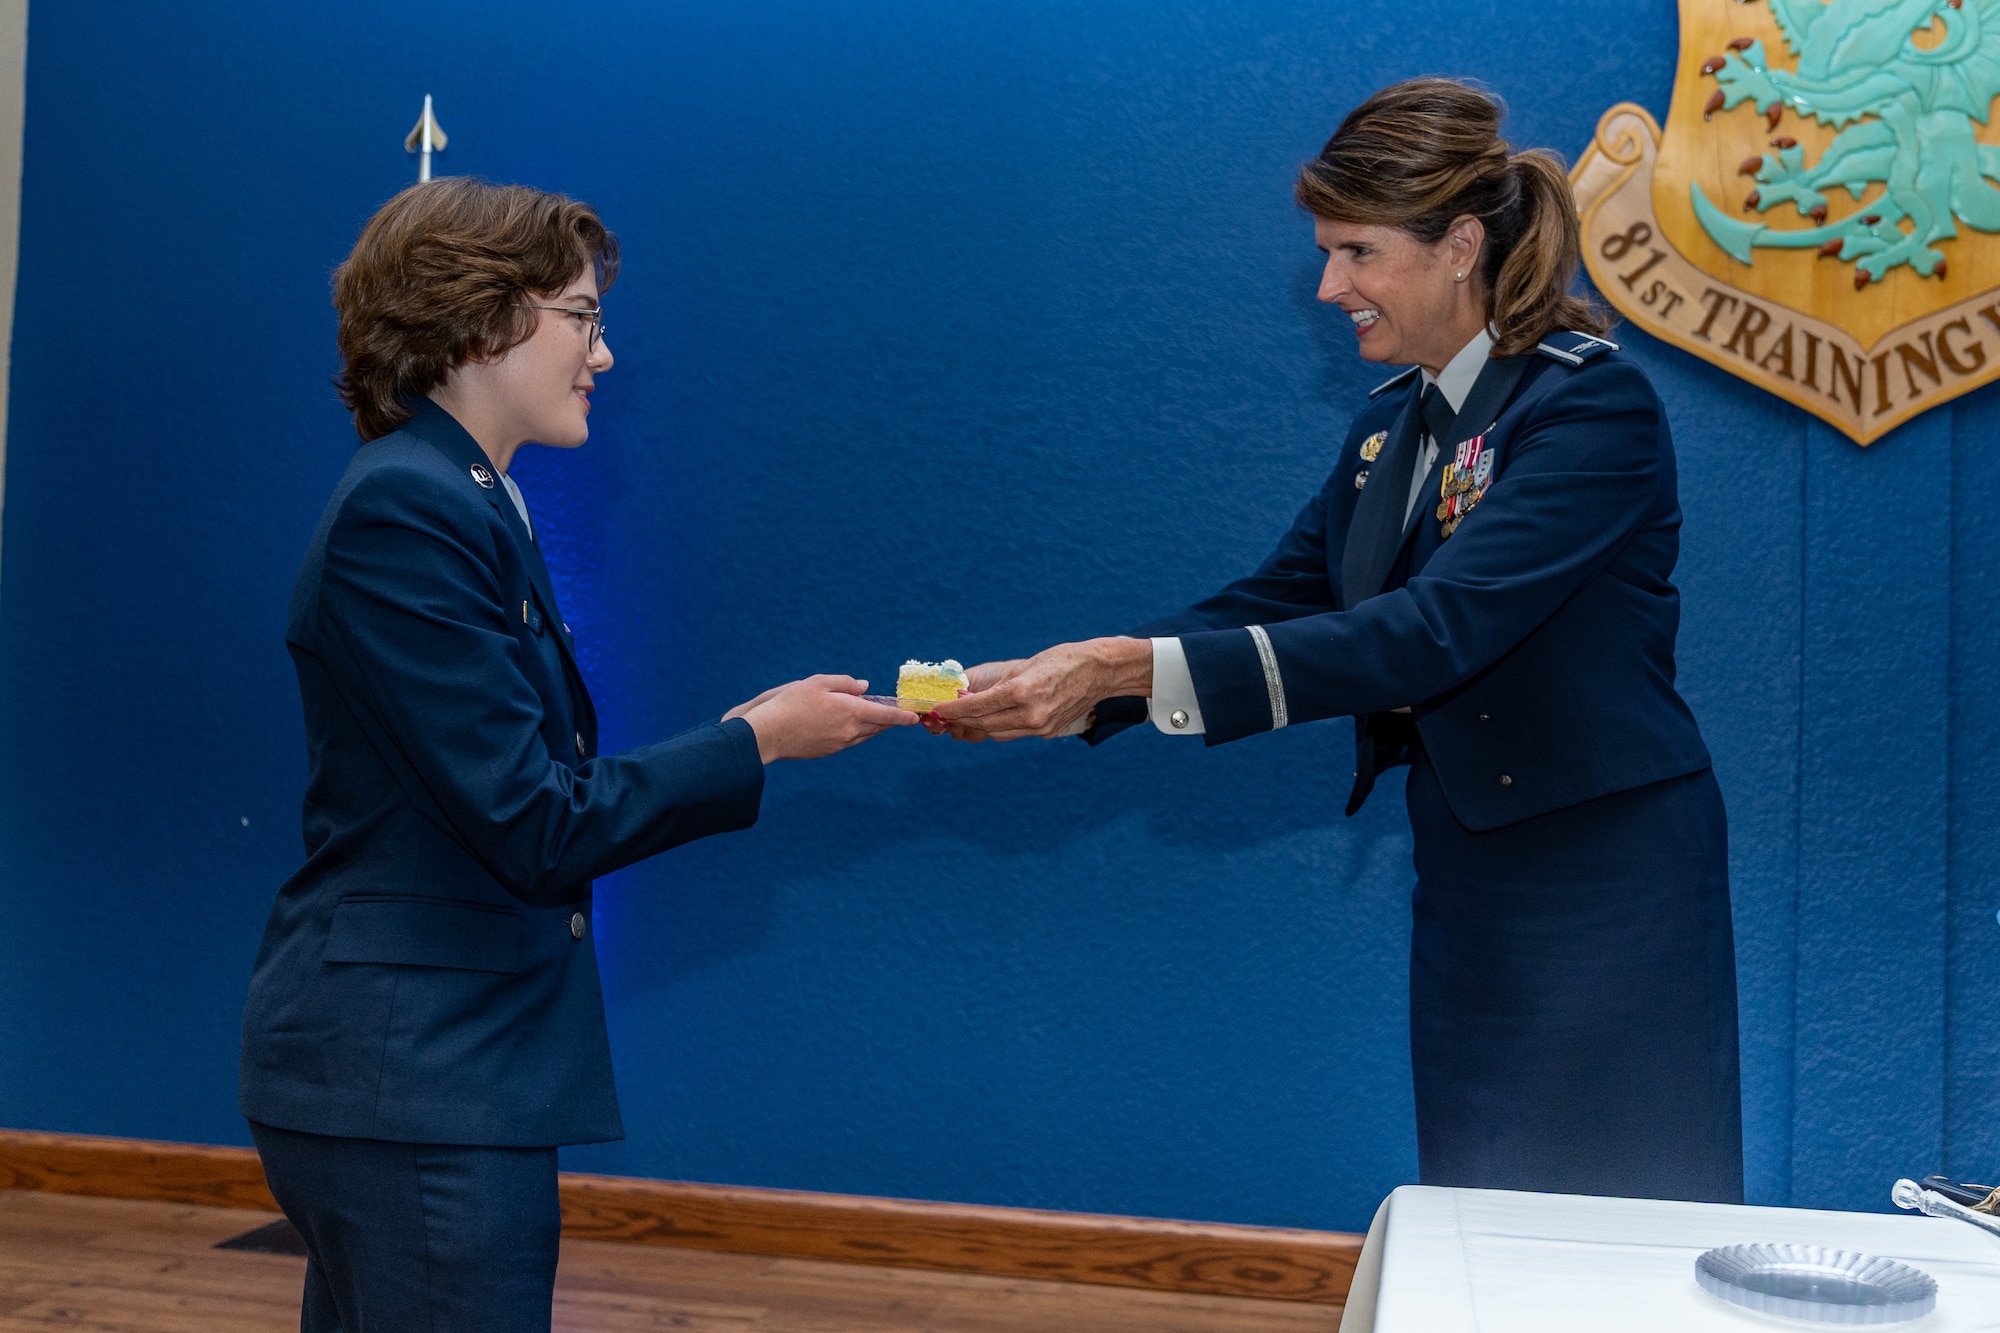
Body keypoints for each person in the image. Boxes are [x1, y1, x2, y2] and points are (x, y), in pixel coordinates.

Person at [933, 78, 1742, 1204]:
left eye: (1356, 253)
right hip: (1468, 860)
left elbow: (1432, 630)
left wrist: (1121, 669)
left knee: (1614, 1206)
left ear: (1459, 245)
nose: (1327, 287)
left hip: (1602, 874)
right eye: (1326, 254)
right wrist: (1074, 677)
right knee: (1477, 1190)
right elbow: (1281, 600)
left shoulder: (1585, 410)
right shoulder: (1388, 430)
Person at [238, 177, 915, 1333]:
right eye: (581, 318)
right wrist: (755, 742)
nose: (602, 355)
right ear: (476, 318)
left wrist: (754, 737)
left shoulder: (466, 498)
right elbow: (531, 819)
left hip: (434, 1074)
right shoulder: (410, 510)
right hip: (414, 1081)